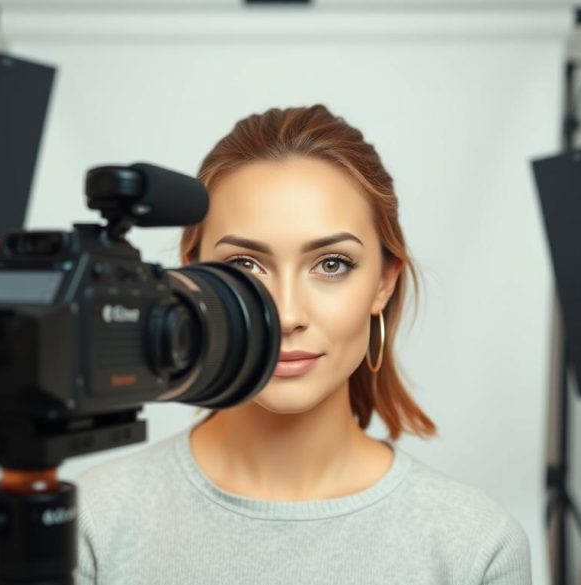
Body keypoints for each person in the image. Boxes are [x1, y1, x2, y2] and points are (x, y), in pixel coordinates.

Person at [74, 105, 531, 584]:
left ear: (383, 283)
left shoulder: (476, 544)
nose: (287, 315)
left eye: (331, 264)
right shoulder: (92, 523)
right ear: (192, 278)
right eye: (246, 266)